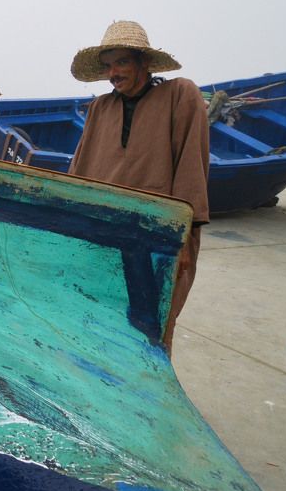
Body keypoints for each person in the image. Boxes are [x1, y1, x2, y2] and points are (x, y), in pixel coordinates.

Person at [68, 20, 209, 351]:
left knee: (152, 332)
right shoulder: (100, 108)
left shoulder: (180, 95)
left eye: (122, 62)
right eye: (108, 65)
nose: (113, 72)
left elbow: (192, 166)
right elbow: (79, 171)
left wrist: (184, 238)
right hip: (104, 235)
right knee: (100, 324)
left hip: (160, 235)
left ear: (144, 62)